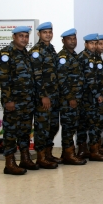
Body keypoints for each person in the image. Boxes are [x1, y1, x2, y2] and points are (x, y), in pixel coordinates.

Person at [0, 26, 35, 174]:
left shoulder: (25, 53)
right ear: (14, 37)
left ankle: (25, 158)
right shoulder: (6, 53)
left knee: (25, 131)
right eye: (21, 36)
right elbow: (3, 79)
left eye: (26, 36)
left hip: (27, 101)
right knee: (11, 131)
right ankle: (10, 162)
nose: (24, 39)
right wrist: (8, 100)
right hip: (14, 101)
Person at [56, 29, 90, 164]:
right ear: (63, 41)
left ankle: (69, 153)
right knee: (69, 127)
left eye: (74, 39)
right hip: (68, 100)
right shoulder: (63, 57)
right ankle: (68, 154)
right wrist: (70, 97)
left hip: (77, 98)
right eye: (69, 39)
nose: (73, 41)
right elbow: (61, 79)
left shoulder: (74, 55)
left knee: (74, 125)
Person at [29, 22, 60, 168]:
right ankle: (40, 157)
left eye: (50, 32)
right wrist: (43, 96)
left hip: (54, 96)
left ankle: (48, 154)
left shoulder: (51, 49)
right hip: (44, 97)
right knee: (42, 127)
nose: (48, 34)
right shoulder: (36, 51)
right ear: (39, 34)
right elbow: (37, 76)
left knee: (52, 126)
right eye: (45, 32)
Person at [77, 33, 103, 161]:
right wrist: (98, 94)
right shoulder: (83, 57)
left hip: (97, 97)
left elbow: (101, 78)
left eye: (95, 43)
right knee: (88, 124)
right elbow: (89, 79)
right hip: (87, 98)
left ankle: (94, 148)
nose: (94, 46)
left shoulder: (97, 57)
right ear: (86, 44)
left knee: (96, 124)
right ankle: (87, 149)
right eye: (91, 43)